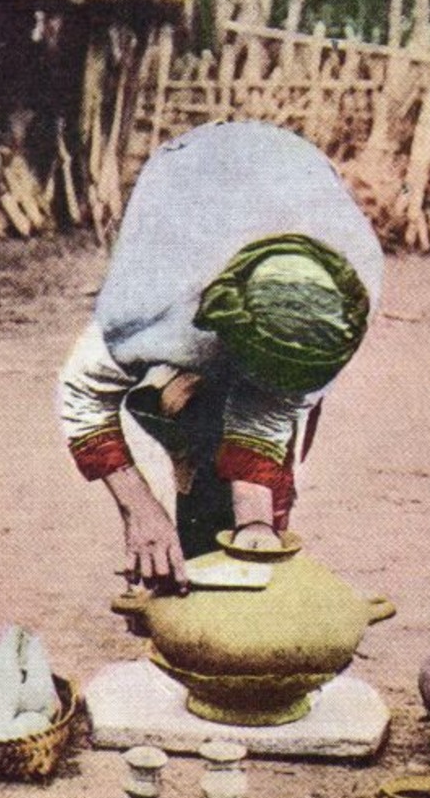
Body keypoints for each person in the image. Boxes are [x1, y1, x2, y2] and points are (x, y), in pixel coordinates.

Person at [57, 121, 383, 592]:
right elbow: (82, 396)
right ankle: (178, 549)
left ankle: (234, 560)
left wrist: (254, 527)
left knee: (268, 491)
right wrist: (140, 509)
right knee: (186, 418)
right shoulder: (155, 303)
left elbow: (270, 411)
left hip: (293, 173)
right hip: (188, 174)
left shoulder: (343, 304)